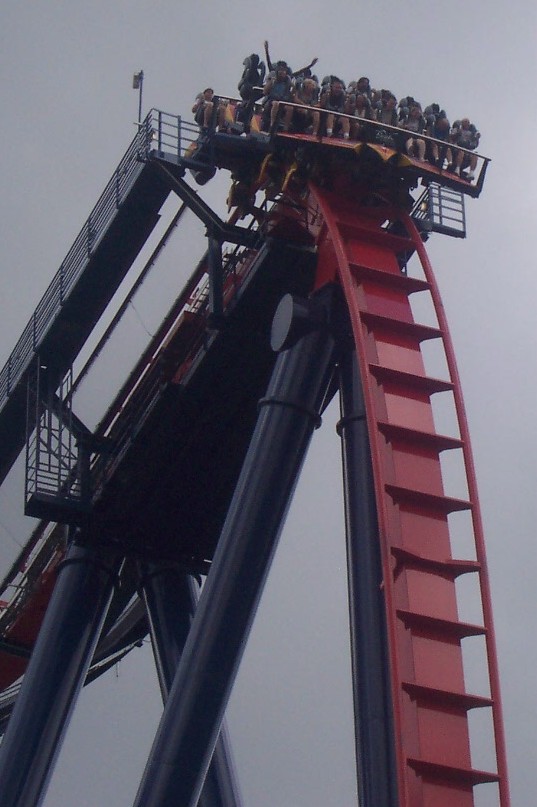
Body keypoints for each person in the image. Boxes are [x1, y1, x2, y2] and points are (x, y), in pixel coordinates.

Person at [261, 61, 294, 132]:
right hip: (270, 102)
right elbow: (264, 92)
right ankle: (272, 124)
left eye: (283, 70)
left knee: (290, 107)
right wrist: (271, 83)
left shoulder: (288, 81)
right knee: (276, 103)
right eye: (280, 70)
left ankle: (286, 127)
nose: (282, 72)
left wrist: (293, 88)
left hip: (282, 102)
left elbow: (290, 95)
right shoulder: (273, 78)